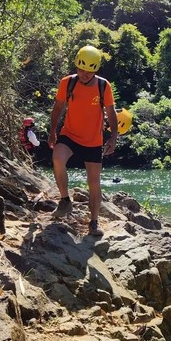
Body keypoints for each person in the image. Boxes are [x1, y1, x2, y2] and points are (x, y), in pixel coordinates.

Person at [48, 45, 117, 237]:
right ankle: (65, 200)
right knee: (57, 158)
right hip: (69, 134)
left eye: (89, 71)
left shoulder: (103, 86)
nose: (84, 74)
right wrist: (52, 131)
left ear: (95, 70)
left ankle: (94, 222)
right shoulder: (67, 83)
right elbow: (58, 107)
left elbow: (111, 112)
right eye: (81, 70)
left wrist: (113, 137)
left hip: (93, 141)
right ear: (76, 66)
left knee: (94, 182)